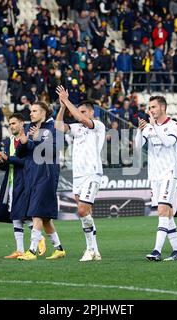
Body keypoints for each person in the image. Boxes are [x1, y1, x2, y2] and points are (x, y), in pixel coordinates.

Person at [55, 87, 104, 262]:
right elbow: (58, 126)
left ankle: (90, 249)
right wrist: (62, 107)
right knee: (85, 214)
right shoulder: (77, 128)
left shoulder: (97, 126)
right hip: (78, 176)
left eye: (84, 111)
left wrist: (67, 101)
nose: (80, 114)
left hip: (92, 173)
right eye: (80, 110)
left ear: (91, 112)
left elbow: (80, 118)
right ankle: (95, 251)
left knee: (82, 210)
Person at [134, 96, 177, 262]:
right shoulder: (148, 127)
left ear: (163, 107)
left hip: (169, 173)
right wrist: (140, 130)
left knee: (162, 209)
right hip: (154, 175)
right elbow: (136, 147)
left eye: (153, 107)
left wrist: (154, 126)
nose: (151, 110)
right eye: (149, 107)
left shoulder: (174, 125)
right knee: (167, 214)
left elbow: (169, 142)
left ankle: (157, 250)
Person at [0, 113, 46, 259]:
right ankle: (20, 250)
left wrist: (8, 158)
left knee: (21, 214)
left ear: (22, 124)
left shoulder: (27, 139)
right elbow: (7, 165)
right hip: (11, 181)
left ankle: (39, 238)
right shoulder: (8, 141)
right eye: (9, 124)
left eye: (14, 123)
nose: (11, 126)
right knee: (15, 215)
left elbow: (26, 162)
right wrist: (1, 161)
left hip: (25, 181)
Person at [16, 101, 65, 261]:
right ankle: (59, 248)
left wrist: (37, 139)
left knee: (36, 212)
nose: (31, 113)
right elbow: (22, 153)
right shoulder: (31, 128)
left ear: (44, 112)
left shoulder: (53, 127)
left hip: (47, 175)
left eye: (35, 111)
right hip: (32, 175)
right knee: (45, 218)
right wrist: (23, 142)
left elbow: (54, 150)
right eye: (31, 111)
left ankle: (32, 250)